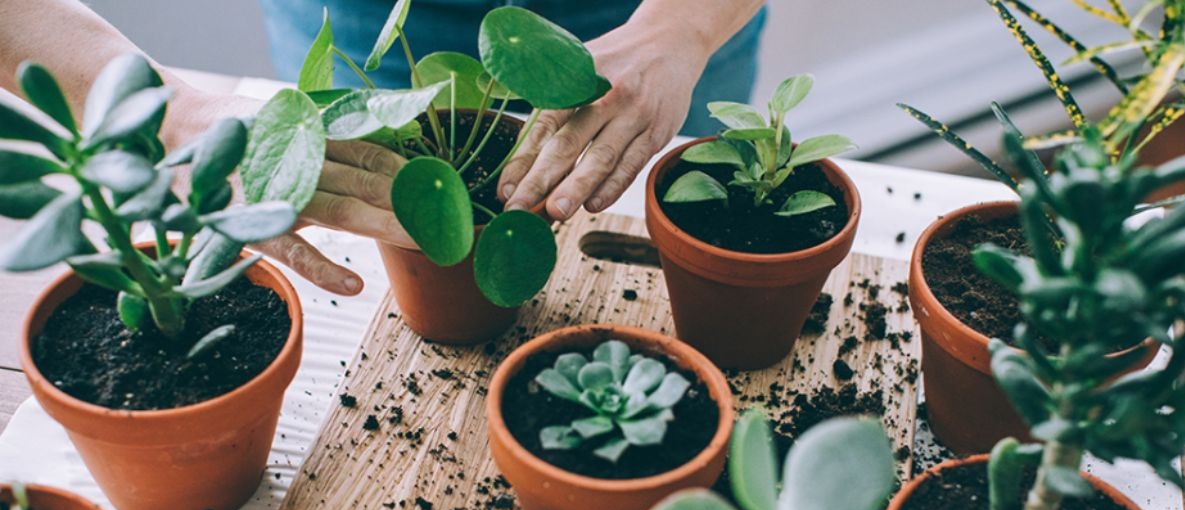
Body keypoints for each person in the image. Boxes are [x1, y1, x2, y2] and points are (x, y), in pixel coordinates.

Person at [0, 0, 766, 296]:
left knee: (689, 211)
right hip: (369, 18)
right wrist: (164, 113)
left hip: (647, 22)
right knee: (372, 167)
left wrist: (685, 27)